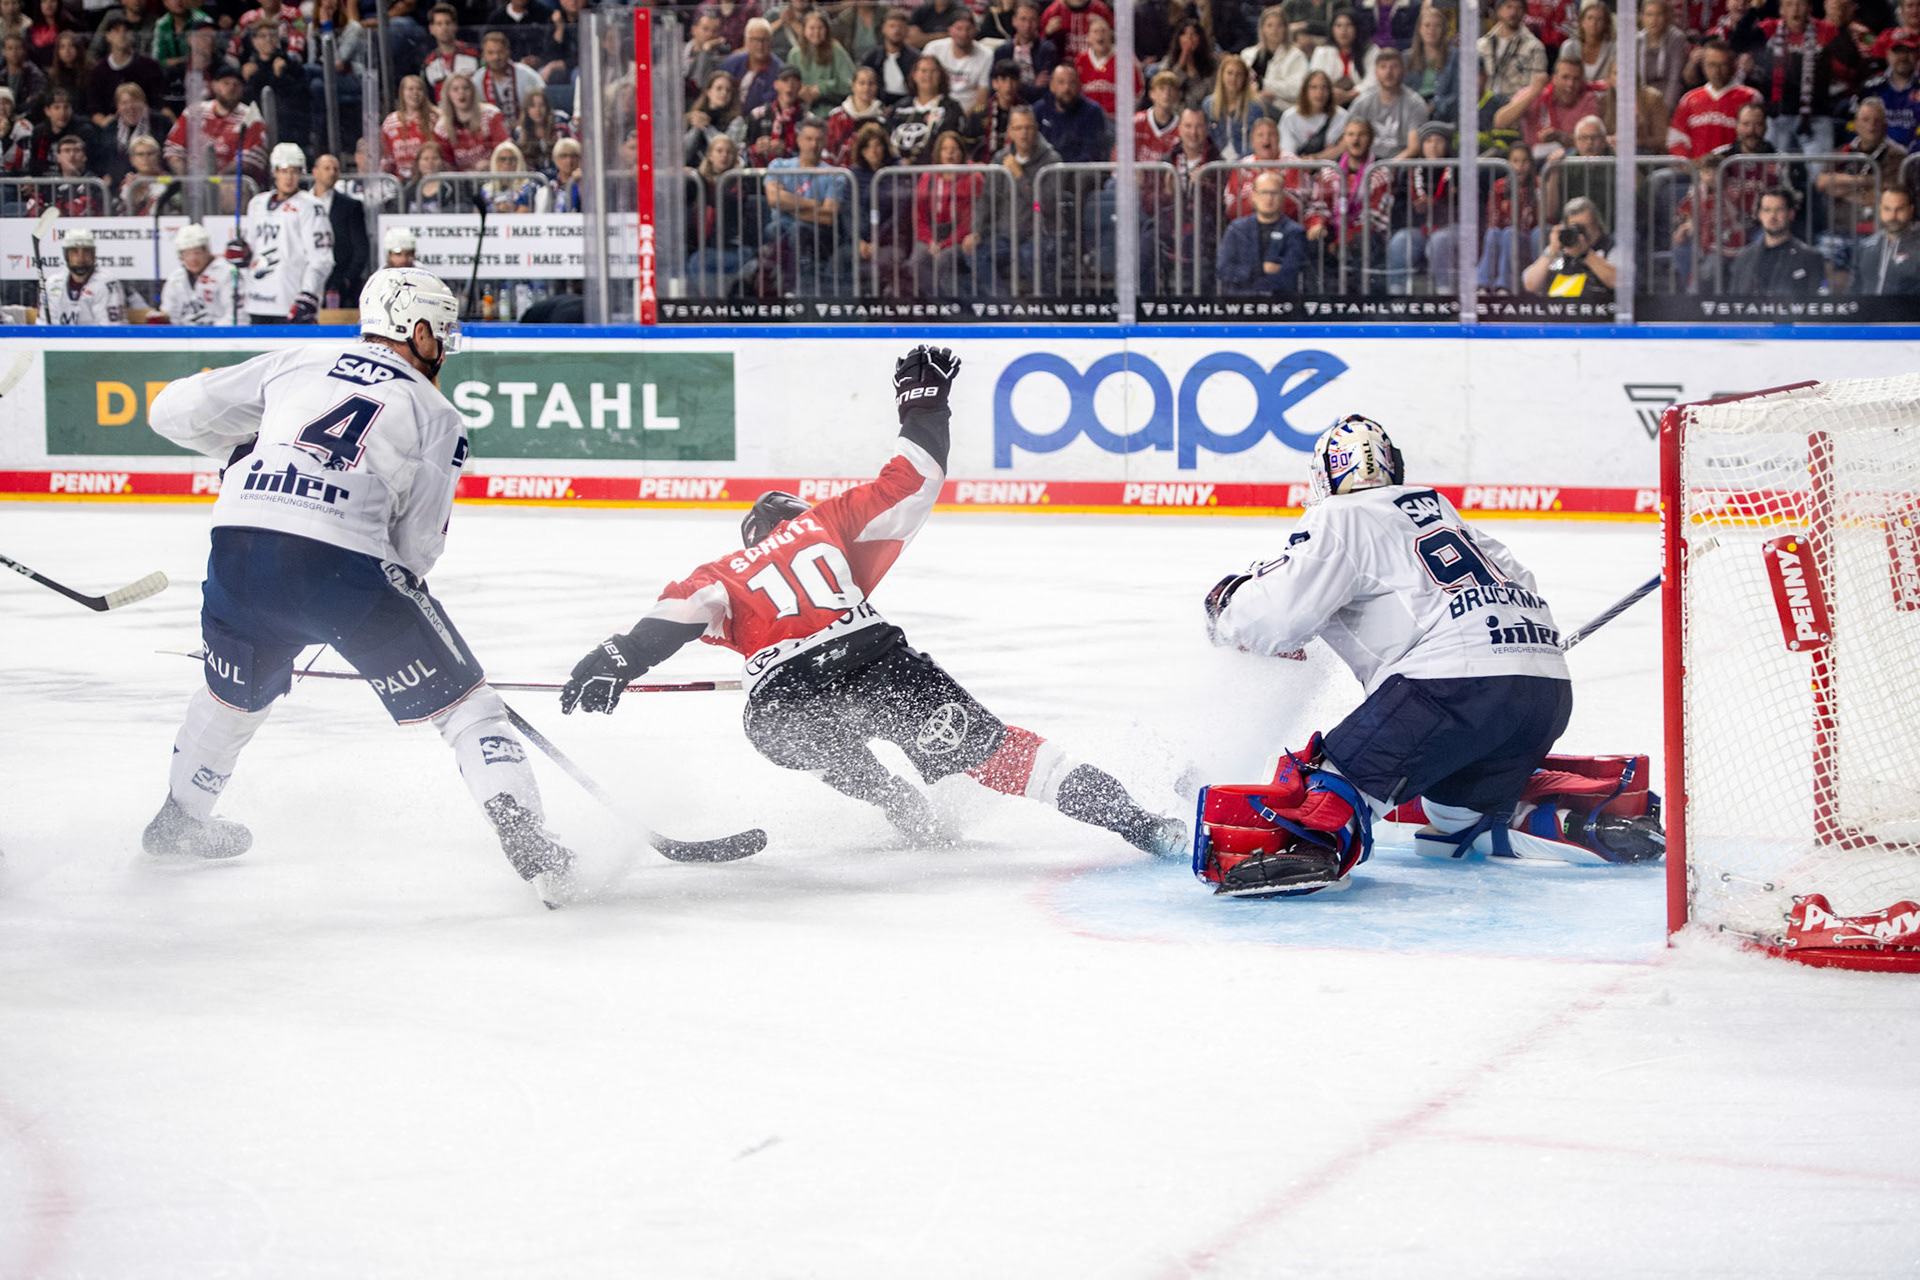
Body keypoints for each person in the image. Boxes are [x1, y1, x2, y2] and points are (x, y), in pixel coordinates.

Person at [560, 346, 1187, 859]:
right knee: (1011, 760)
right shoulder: (826, 523)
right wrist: (924, 407)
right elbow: (916, 480)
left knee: (805, 735)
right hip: (880, 670)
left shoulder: (720, 571)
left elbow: (675, 619)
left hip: (779, 708)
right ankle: (1141, 824)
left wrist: (618, 657)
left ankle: (891, 797)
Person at [140, 269, 577, 904]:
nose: (446, 347)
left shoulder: (296, 359)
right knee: (467, 710)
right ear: (417, 330)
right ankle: (529, 836)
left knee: (232, 700)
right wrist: (360, 615)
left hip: (236, 549)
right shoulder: (437, 413)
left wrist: (239, 451)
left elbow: (166, 411)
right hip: (340, 570)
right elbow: (415, 550)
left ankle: (179, 819)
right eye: (442, 333)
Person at [1193, 414, 1660, 899]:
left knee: (1328, 785)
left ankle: (1310, 849)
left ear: (1326, 475)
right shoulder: (1445, 514)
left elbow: (1279, 616)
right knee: (1452, 817)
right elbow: (1523, 584)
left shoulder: (1340, 516)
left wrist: (1227, 612)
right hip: (1542, 693)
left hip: (1447, 689)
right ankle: (1566, 824)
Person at [229, 142, 334, 324]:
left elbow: (321, 258)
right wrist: (242, 254)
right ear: (274, 172)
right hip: (256, 300)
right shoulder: (257, 203)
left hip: (291, 300)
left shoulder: (311, 206)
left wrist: (308, 294)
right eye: (284, 171)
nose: (289, 177)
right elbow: (253, 247)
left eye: (295, 171)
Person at [162, 61, 264, 187]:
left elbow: (249, 160)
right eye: (226, 83)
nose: (231, 88)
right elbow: (174, 150)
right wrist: (187, 180)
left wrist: (214, 182)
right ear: (214, 86)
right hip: (192, 183)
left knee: (229, 191)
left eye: (236, 85)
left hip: (231, 184)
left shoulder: (251, 117)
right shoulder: (194, 112)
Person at [1665, 38, 1761, 159]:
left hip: (1735, 170)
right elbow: (1676, 138)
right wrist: (1688, 164)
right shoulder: (1689, 99)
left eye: (1722, 65)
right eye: (1712, 64)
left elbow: (1756, 137)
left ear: (1733, 66)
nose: (1717, 71)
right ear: (1703, 66)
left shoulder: (1750, 97)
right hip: (1696, 172)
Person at [1216, 168, 1307, 292]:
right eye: (1264, 192)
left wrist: (1249, 277)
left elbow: (1287, 277)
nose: (1269, 198)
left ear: (1282, 196)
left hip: (1279, 303)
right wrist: (1258, 269)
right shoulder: (1236, 229)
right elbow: (1223, 270)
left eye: (1274, 193)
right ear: (1253, 196)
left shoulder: (1295, 232)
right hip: (1242, 303)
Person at [1727, 185, 1824, 294]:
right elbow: (1734, 303)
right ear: (1760, 215)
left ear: (1791, 214)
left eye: (1779, 210)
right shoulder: (1744, 257)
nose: (1772, 216)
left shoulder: (1810, 258)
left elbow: (1814, 303)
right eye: (1767, 210)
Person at [37, 226, 144, 323]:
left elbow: (110, 331)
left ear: (93, 254)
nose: (81, 257)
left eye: (86, 251)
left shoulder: (107, 284)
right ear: (66, 255)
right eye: (74, 252)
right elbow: (44, 325)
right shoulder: (53, 284)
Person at [1521, 193, 1619, 295]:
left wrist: (1586, 255)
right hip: (1557, 307)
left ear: (1597, 225)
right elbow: (1530, 285)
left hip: (1594, 306)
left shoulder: (1610, 247)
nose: (1579, 233)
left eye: (1583, 228)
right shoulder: (1561, 249)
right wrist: (1552, 250)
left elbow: (1619, 282)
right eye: (1574, 228)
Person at [310, 151, 368, 307]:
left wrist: (348, 279)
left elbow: (360, 247)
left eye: (335, 169)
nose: (332, 172)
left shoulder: (350, 206)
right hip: (305, 276)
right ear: (315, 172)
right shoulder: (300, 204)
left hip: (338, 280)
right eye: (327, 168)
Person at [886, 54, 968, 163]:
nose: (928, 76)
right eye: (923, 71)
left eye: (933, 71)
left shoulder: (951, 108)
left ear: (940, 75)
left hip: (932, 170)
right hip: (898, 170)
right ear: (914, 75)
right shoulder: (900, 107)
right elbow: (887, 136)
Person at [1347, 44, 1426, 157]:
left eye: (1394, 67)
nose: (1388, 72)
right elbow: (1347, 141)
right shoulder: (1361, 102)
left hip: (1400, 168)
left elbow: (1413, 148)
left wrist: (1385, 168)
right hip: (1367, 166)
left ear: (1403, 71)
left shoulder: (1415, 104)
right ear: (1376, 72)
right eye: (1383, 67)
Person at [152, 221, 238, 324]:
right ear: (181, 256)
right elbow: (170, 315)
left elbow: (235, 316)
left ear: (207, 251)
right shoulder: (175, 279)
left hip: (219, 336)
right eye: (187, 254)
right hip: (184, 336)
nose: (193, 259)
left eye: (197, 253)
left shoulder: (227, 273)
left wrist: (211, 336)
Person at [86, 11, 160, 124]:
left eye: (126, 31)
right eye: (116, 31)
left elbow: (158, 102)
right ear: (108, 36)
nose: (122, 35)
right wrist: (106, 123)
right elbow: (95, 110)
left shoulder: (148, 65)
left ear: (132, 35)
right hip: (112, 127)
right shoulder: (98, 71)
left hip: (146, 123)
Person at [434, 71, 509, 172]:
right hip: (460, 182)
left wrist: (491, 164)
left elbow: (506, 150)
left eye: (466, 88)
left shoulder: (491, 114)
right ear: (448, 95)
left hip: (494, 174)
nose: (461, 92)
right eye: (455, 89)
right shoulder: (441, 127)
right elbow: (446, 163)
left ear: (473, 91)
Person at [1034, 60, 1106, 162]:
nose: (1066, 88)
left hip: (1079, 174)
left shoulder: (1092, 112)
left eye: (1071, 82)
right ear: (1052, 86)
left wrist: (1063, 173)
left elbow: (1091, 153)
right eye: (1061, 82)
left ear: (1079, 85)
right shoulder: (1039, 110)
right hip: (1047, 173)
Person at [1852, 185, 1920, 293]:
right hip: (1870, 309)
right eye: (1887, 209)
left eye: (1900, 209)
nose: (1892, 216)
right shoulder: (1865, 247)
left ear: (1911, 210)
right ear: (1880, 209)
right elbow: (1854, 291)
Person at [1478, 0, 1548, 100]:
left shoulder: (1535, 47)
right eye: (1508, 7)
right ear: (1499, 10)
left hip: (1516, 108)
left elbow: (1536, 88)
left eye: (1519, 8)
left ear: (1524, 13)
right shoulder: (1482, 45)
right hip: (1484, 106)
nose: (1513, 12)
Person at [925, 7, 991, 110]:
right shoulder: (933, 49)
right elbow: (923, 85)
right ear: (950, 30)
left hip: (968, 111)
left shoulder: (986, 55)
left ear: (975, 30)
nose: (964, 34)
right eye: (959, 28)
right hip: (935, 108)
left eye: (968, 29)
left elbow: (982, 96)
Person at [789, 9, 856, 109]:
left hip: (831, 106)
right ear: (804, 30)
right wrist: (800, 90)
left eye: (820, 28)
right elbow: (788, 82)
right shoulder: (794, 54)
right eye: (812, 28)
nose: (816, 32)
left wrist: (822, 88)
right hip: (801, 108)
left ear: (827, 30)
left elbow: (850, 83)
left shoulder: (836, 50)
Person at [1204, 47, 1264, 159]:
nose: (1233, 78)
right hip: (1214, 165)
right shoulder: (1208, 105)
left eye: (1238, 74)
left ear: (1245, 78)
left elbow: (1258, 142)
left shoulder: (1255, 107)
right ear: (1221, 75)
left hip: (1244, 164)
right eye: (1229, 73)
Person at [1072, 14, 1136, 117]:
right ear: (1088, 37)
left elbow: (1137, 93)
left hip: (1115, 119)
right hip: (1085, 118)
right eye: (1095, 31)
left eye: (1103, 31)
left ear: (1111, 35)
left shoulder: (1125, 58)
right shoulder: (1081, 60)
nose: (1099, 35)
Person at [1864, 33, 1920, 150]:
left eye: (1908, 51)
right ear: (1887, 54)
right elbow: (1857, 127)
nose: (1903, 57)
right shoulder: (1871, 88)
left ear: (1916, 55)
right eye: (1898, 51)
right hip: (1879, 159)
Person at [992, 0, 1058, 98]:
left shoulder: (1048, 50)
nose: (1027, 25)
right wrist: (1031, 85)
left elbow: (1044, 89)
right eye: (1023, 19)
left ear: (1039, 22)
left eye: (1032, 20)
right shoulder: (1002, 51)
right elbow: (994, 85)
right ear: (1014, 21)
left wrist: (1011, 87)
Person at [721, 18, 786, 115]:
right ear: (747, 42)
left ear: (771, 42)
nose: (760, 45)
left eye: (765, 40)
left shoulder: (780, 71)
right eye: (755, 40)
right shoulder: (731, 63)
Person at [1309, 10, 1374, 107]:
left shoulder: (1371, 51)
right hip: (1329, 101)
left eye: (1349, 25)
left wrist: (1351, 94)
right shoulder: (1322, 52)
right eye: (1338, 26)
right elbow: (1315, 81)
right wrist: (1329, 93)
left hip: (1362, 101)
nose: (1343, 30)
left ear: (1357, 28)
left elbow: (1373, 81)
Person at [476, 27, 540, 123]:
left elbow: (542, 103)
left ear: (508, 52)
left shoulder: (526, 74)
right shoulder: (477, 79)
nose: (496, 57)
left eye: (500, 52)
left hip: (526, 128)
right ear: (483, 55)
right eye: (490, 53)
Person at [1280, 67, 1346, 157]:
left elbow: (1344, 148)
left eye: (1324, 87)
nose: (1319, 93)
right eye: (1313, 87)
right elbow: (1287, 152)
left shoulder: (1342, 116)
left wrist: (1315, 159)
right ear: (1305, 91)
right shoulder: (1289, 117)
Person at [828, 63, 888, 162]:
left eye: (871, 83)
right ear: (853, 86)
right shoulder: (836, 117)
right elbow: (829, 148)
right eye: (862, 83)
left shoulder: (883, 119)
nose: (866, 88)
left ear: (877, 87)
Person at [382, 74, 438, 179]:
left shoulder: (434, 119)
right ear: (402, 92)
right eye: (410, 89)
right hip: (400, 181)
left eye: (419, 89)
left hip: (428, 179)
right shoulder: (390, 121)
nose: (415, 93)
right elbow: (388, 156)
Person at [862, 8, 918, 106]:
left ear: (907, 30)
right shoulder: (872, 57)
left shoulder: (915, 58)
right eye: (892, 26)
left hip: (908, 105)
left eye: (900, 27)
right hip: (878, 105)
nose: (896, 30)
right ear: (884, 29)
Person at [685, 68, 741, 166]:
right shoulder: (693, 117)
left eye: (728, 90)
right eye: (719, 88)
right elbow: (684, 153)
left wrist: (707, 127)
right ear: (708, 92)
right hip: (693, 174)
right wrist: (696, 128)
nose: (724, 93)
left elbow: (726, 150)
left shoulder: (736, 120)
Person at [420, 3, 477, 100]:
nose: (444, 28)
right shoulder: (428, 63)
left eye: (448, 23)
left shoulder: (474, 55)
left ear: (455, 25)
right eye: (439, 24)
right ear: (431, 29)